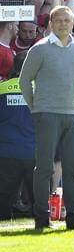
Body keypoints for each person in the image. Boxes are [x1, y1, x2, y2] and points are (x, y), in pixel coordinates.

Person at [20, 6, 74, 230]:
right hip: (46, 114)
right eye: (57, 20)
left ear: (71, 23)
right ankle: (41, 217)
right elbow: (24, 81)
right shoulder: (40, 49)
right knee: (44, 168)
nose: (62, 24)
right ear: (50, 24)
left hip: (73, 114)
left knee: (72, 168)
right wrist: (36, 109)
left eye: (66, 20)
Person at [0, 53, 34, 221]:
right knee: (39, 205)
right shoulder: (40, 89)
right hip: (33, 152)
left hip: (6, 152)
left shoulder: (2, 88)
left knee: (3, 205)